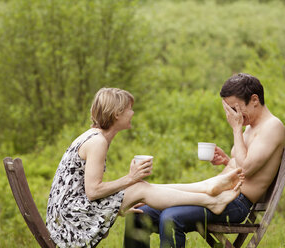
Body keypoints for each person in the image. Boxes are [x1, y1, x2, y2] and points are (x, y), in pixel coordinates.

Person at [45, 87, 245, 248]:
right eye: (129, 109)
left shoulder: (94, 136)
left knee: (140, 188)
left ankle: (209, 191)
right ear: (116, 114)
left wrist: (121, 201)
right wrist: (130, 178)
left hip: (67, 216)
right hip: (69, 224)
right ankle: (211, 200)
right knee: (139, 187)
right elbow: (93, 191)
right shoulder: (97, 142)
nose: (132, 113)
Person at [123, 73, 285, 248]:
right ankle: (146, 192)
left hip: (236, 202)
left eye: (235, 109)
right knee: (138, 214)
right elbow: (243, 164)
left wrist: (236, 129)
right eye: (229, 110)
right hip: (216, 191)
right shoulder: (250, 126)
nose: (233, 115)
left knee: (171, 217)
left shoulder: (272, 127)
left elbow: (246, 170)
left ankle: (147, 191)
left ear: (254, 100)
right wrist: (227, 161)